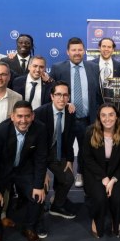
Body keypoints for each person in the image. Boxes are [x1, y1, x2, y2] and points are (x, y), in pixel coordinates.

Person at [0, 101, 48, 241]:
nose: (23, 120)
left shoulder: (40, 129)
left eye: (27, 116)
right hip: (2, 170)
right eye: (19, 116)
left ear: (32, 116)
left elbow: (41, 158)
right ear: (12, 116)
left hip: (24, 169)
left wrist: (38, 186)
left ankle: (29, 228)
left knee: (38, 196)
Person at [50, 37, 102, 187]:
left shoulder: (93, 67)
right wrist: (65, 103)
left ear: (84, 51)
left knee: (86, 151)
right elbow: (52, 93)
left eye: (80, 49)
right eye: (73, 50)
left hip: (87, 119)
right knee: (62, 151)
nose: (77, 53)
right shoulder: (58, 68)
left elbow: (98, 94)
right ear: (68, 52)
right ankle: (60, 185)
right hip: (65, 118)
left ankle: (81, 174)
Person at [81, 104, 120, 238]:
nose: (107, 119)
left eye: (111, 115)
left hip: (116, 170)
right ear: (99, 117)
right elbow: (87, 158)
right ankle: (96, 220)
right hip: (95, 170)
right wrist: (103, 177)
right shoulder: (90, 131)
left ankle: (116, 222)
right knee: (99, 197)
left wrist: (114, 179)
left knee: (118, 197)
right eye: (103, 115)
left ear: (116, 117)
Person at [34, 82, 78, 223]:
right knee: (41, 184)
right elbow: (34, 144)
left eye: (65, 95)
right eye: (58, 94)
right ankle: (37, 216)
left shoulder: (70, 112)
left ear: (68, 97)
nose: (61, 98)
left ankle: (57, 205)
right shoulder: (40, 113)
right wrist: (41, 171)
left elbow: (70, 138)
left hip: (56, 150)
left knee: (68, 178)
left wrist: (70, 159)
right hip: (38, 153)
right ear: (52, 96)